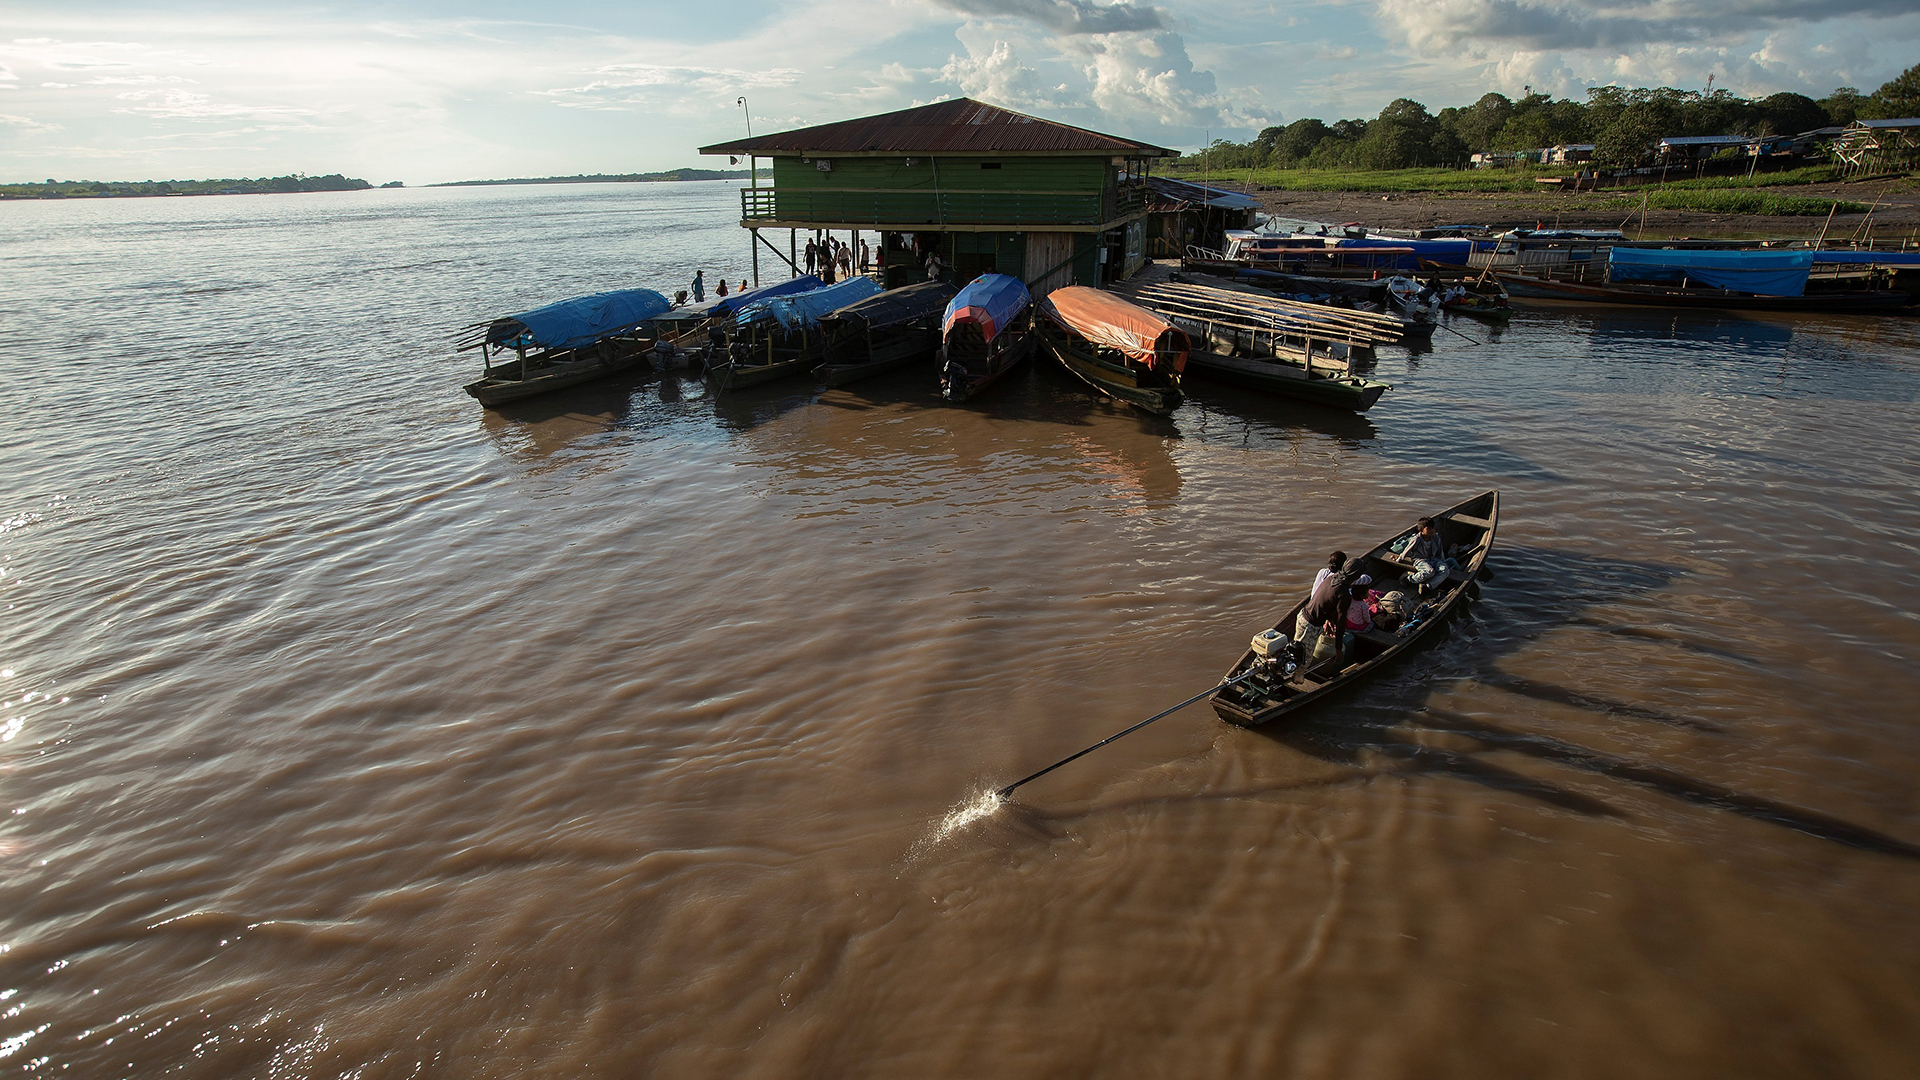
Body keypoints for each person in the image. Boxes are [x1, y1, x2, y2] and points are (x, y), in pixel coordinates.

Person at [1405, 516, 1459, 595]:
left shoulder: (1436, 537)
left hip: (1433, 559)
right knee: (1430, 572)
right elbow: (1407, 549)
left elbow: (1440, 551)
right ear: (1421, 530)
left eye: (1433, 528)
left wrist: (1442, 562)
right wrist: (1399, 558)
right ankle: (1409, 579)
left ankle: (1428, 586)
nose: (1432, 530)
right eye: (1428, 529)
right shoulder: (1417, 539)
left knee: (1445, 570)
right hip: (1420, 560)